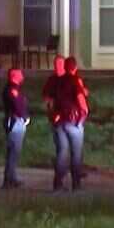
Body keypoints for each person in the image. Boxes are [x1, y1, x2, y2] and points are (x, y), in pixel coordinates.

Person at [43, 55, 89, 192]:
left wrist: (52, 113)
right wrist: (84, 114)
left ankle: (58, 183)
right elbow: (81, 98)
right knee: (75, 153)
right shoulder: (74, 80)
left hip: (59, 121)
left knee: (62, 152)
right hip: (72, 120)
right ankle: (76, 183)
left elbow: (49, 100)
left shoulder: (56, 82)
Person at [1, 68, 29, 189]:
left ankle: (11, 177)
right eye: (20, 74)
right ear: (14, 76)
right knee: (13, 152)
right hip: (15, 122)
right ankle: (9, 180)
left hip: (16, 122)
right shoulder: (12, 90)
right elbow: (17, 104)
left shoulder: (14, 89)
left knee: (14, 152)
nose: (22, 76)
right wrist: (24, 116)